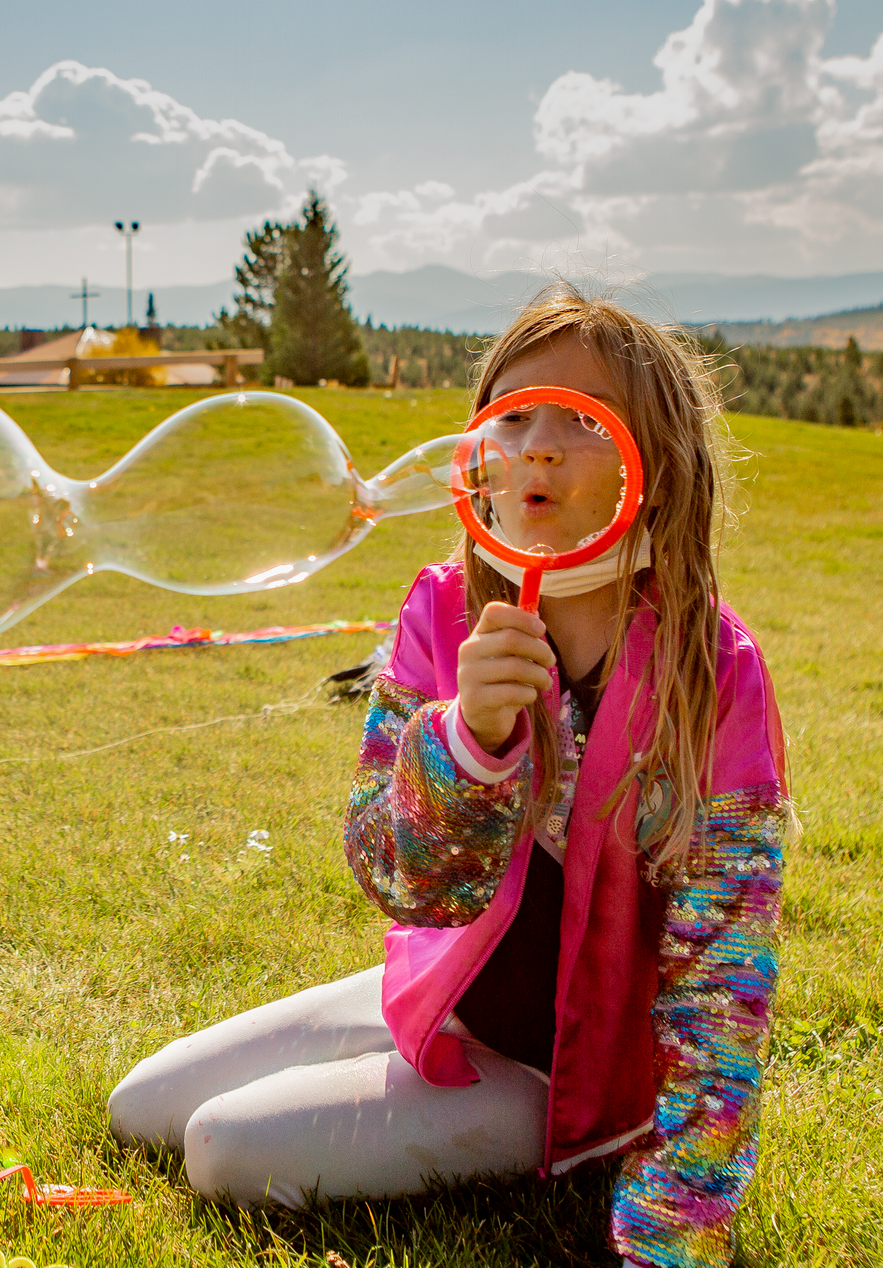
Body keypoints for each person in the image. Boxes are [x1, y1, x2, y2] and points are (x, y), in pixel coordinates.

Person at [109, 287, 791, 1268]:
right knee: (139, 1109)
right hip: (446, 989)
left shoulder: (712, 667)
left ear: (657, 468)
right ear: (478, 457)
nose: (540, 446)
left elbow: (720, 984)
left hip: (559, 1074)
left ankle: (529, 1120)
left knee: (221, 1150)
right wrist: (467, 742)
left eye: (581, 421)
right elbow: (404, 881)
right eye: (513, 417)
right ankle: (401, 1053)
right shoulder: (441, 608)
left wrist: (672, 1228)